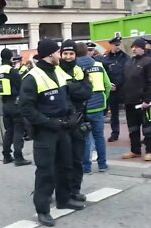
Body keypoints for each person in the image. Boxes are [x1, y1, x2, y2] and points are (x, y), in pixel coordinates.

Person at [20, 38, 84, 227]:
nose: (60, 55)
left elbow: (67, 97)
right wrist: (48, 122)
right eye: (57, 52)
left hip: (63, 128)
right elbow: (26, 109)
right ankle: (42, 210)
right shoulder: (32, 77)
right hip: (45, 132)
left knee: (66, 166)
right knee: (45, 171)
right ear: (50, 55)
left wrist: (72, 114)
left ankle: (64, 200)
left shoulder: (59, 71)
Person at [58, 39, 92, 201]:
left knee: (77, 159)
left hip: (79, 120)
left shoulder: (80, 70)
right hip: (62, 122)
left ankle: (75, 191)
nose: (69, 56)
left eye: (71, 53)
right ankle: (62, 191)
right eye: (66, 53)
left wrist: (70, 88)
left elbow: (87, 93)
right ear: (61, 54)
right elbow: (59, 96)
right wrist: (74, 89)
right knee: (62, 161)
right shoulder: (55, 71)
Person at [77, 42, 112, 173]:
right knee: (99, 136)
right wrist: (104, 99)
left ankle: (87, 167)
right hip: (98, 106)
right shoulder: (98, 65)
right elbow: (108, 86)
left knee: (85, 138)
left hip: (83, 108)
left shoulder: (74, 67)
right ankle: (102, 165)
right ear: (87, 51)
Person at [121, 38, 151, 161]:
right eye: (132, 47)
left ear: (142, 48)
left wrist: (147, 100)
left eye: (136, 47)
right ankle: (135, 150)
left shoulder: (148, 61)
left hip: (143, 102)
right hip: (130, 101)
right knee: (133, 128)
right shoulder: (129, 62)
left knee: (147, 128)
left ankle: (150, 150)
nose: (133, 49)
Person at [0, 48, 31, 166]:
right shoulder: (12, 71)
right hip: (15, 103)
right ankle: (18, 157)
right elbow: (21, 86)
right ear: (11, 58)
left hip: (5, 104)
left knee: (9, 131)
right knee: (18, 131)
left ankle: (6, 156)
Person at [101, 36, 130, 142]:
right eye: (116, 45)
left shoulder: (126, 58)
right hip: (113, 90)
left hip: (125, 89)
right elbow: (104, 75)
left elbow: (129, 73)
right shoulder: (106, 59)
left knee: (130, 112)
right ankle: (115, 133)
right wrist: (108, 85)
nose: (117, 47)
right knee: (114, 113)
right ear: (111, 45)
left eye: (119, 45)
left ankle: (132, 132)